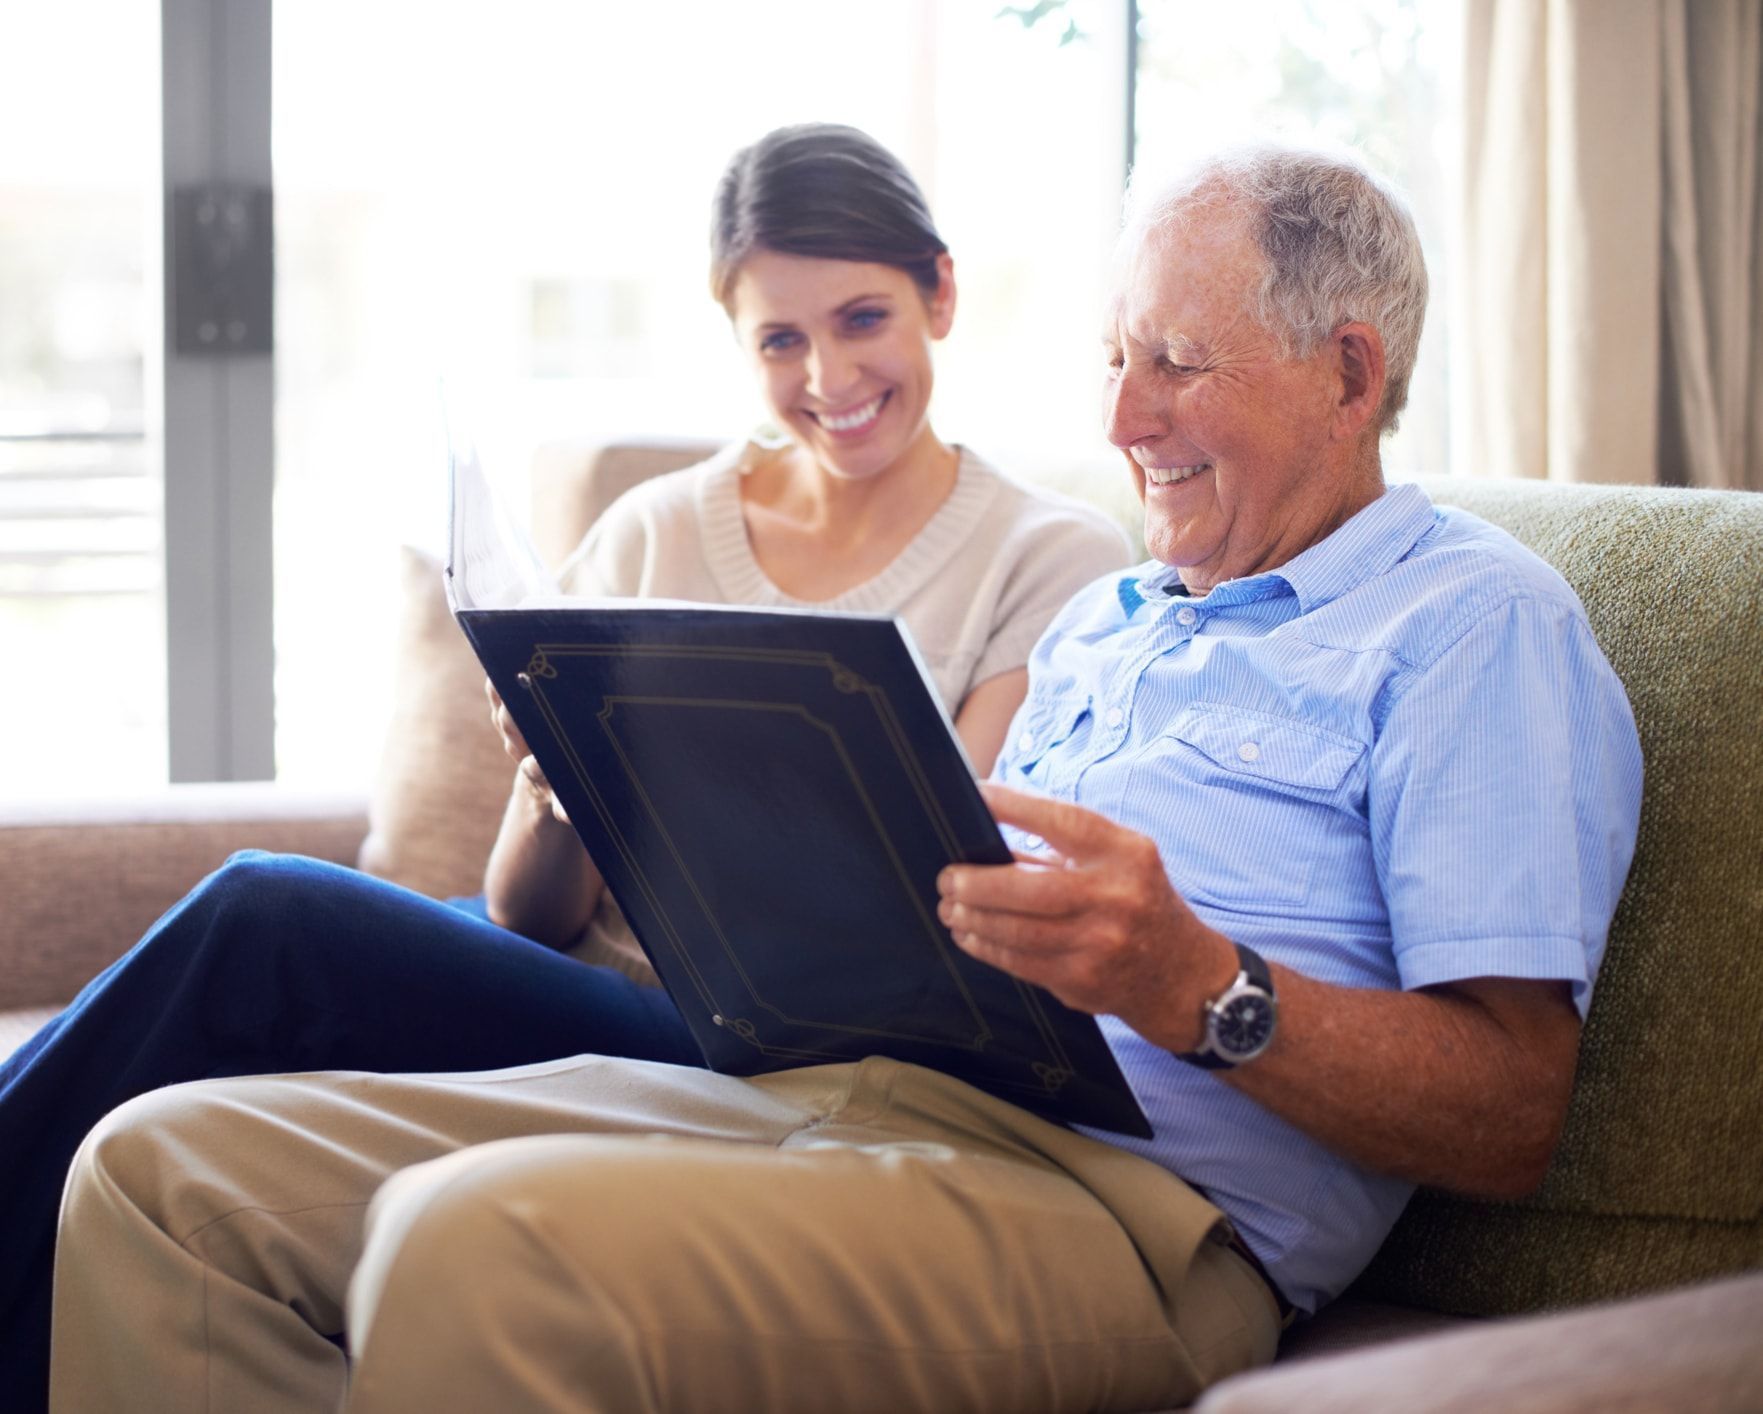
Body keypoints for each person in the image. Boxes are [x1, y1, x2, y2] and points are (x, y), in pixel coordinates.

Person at [47, 143, 1644, 1414]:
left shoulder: (1470, 628)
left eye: (1173, 361)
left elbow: (1510, 1110)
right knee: (157, 1174)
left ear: (1347, 372)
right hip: (826, 1093)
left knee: (474, 1248)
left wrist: (1202, 985)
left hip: (1131, 1219)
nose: (1120, 416)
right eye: (1110, 357)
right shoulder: (1112, 618)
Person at [0, 124, 1130, 1409]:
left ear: (938, 292)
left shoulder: (1049, 558)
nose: (827, 374)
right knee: (167, 1079)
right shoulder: (654, 529)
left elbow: (936, 911)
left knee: (267, 915)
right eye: (777, 339)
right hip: (578, 990)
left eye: (862, 318)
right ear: (736, 337)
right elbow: (526, 913)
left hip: (769, 1049)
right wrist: (557, 788)